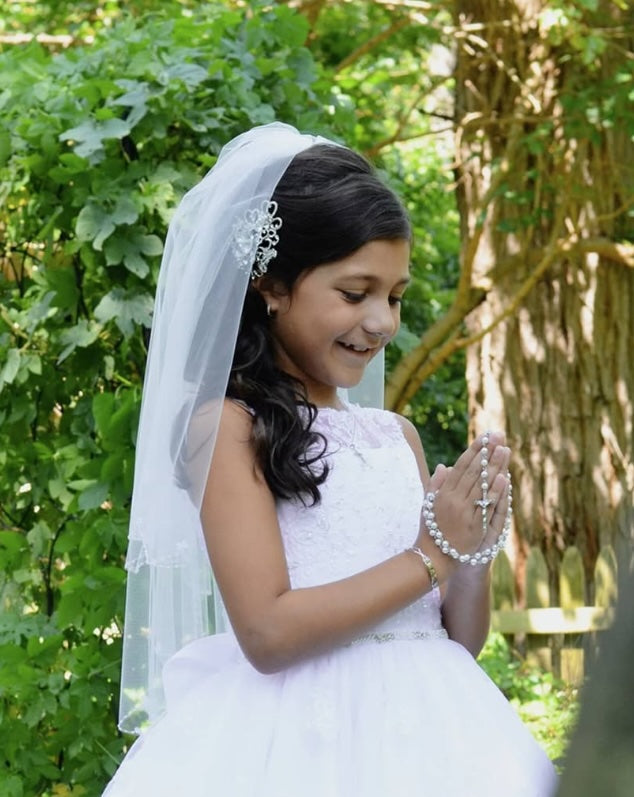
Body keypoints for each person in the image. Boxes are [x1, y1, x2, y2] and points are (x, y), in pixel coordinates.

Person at [103, 123, 558, 796]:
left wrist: (472, 549)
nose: (383, 322)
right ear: (271, 285)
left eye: (395, 296)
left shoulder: (394, 436)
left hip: (438, 736)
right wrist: (431, 552)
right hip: (294, 743)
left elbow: (455, 640)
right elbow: (266, 630)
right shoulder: (226, 427)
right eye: (355, 292)